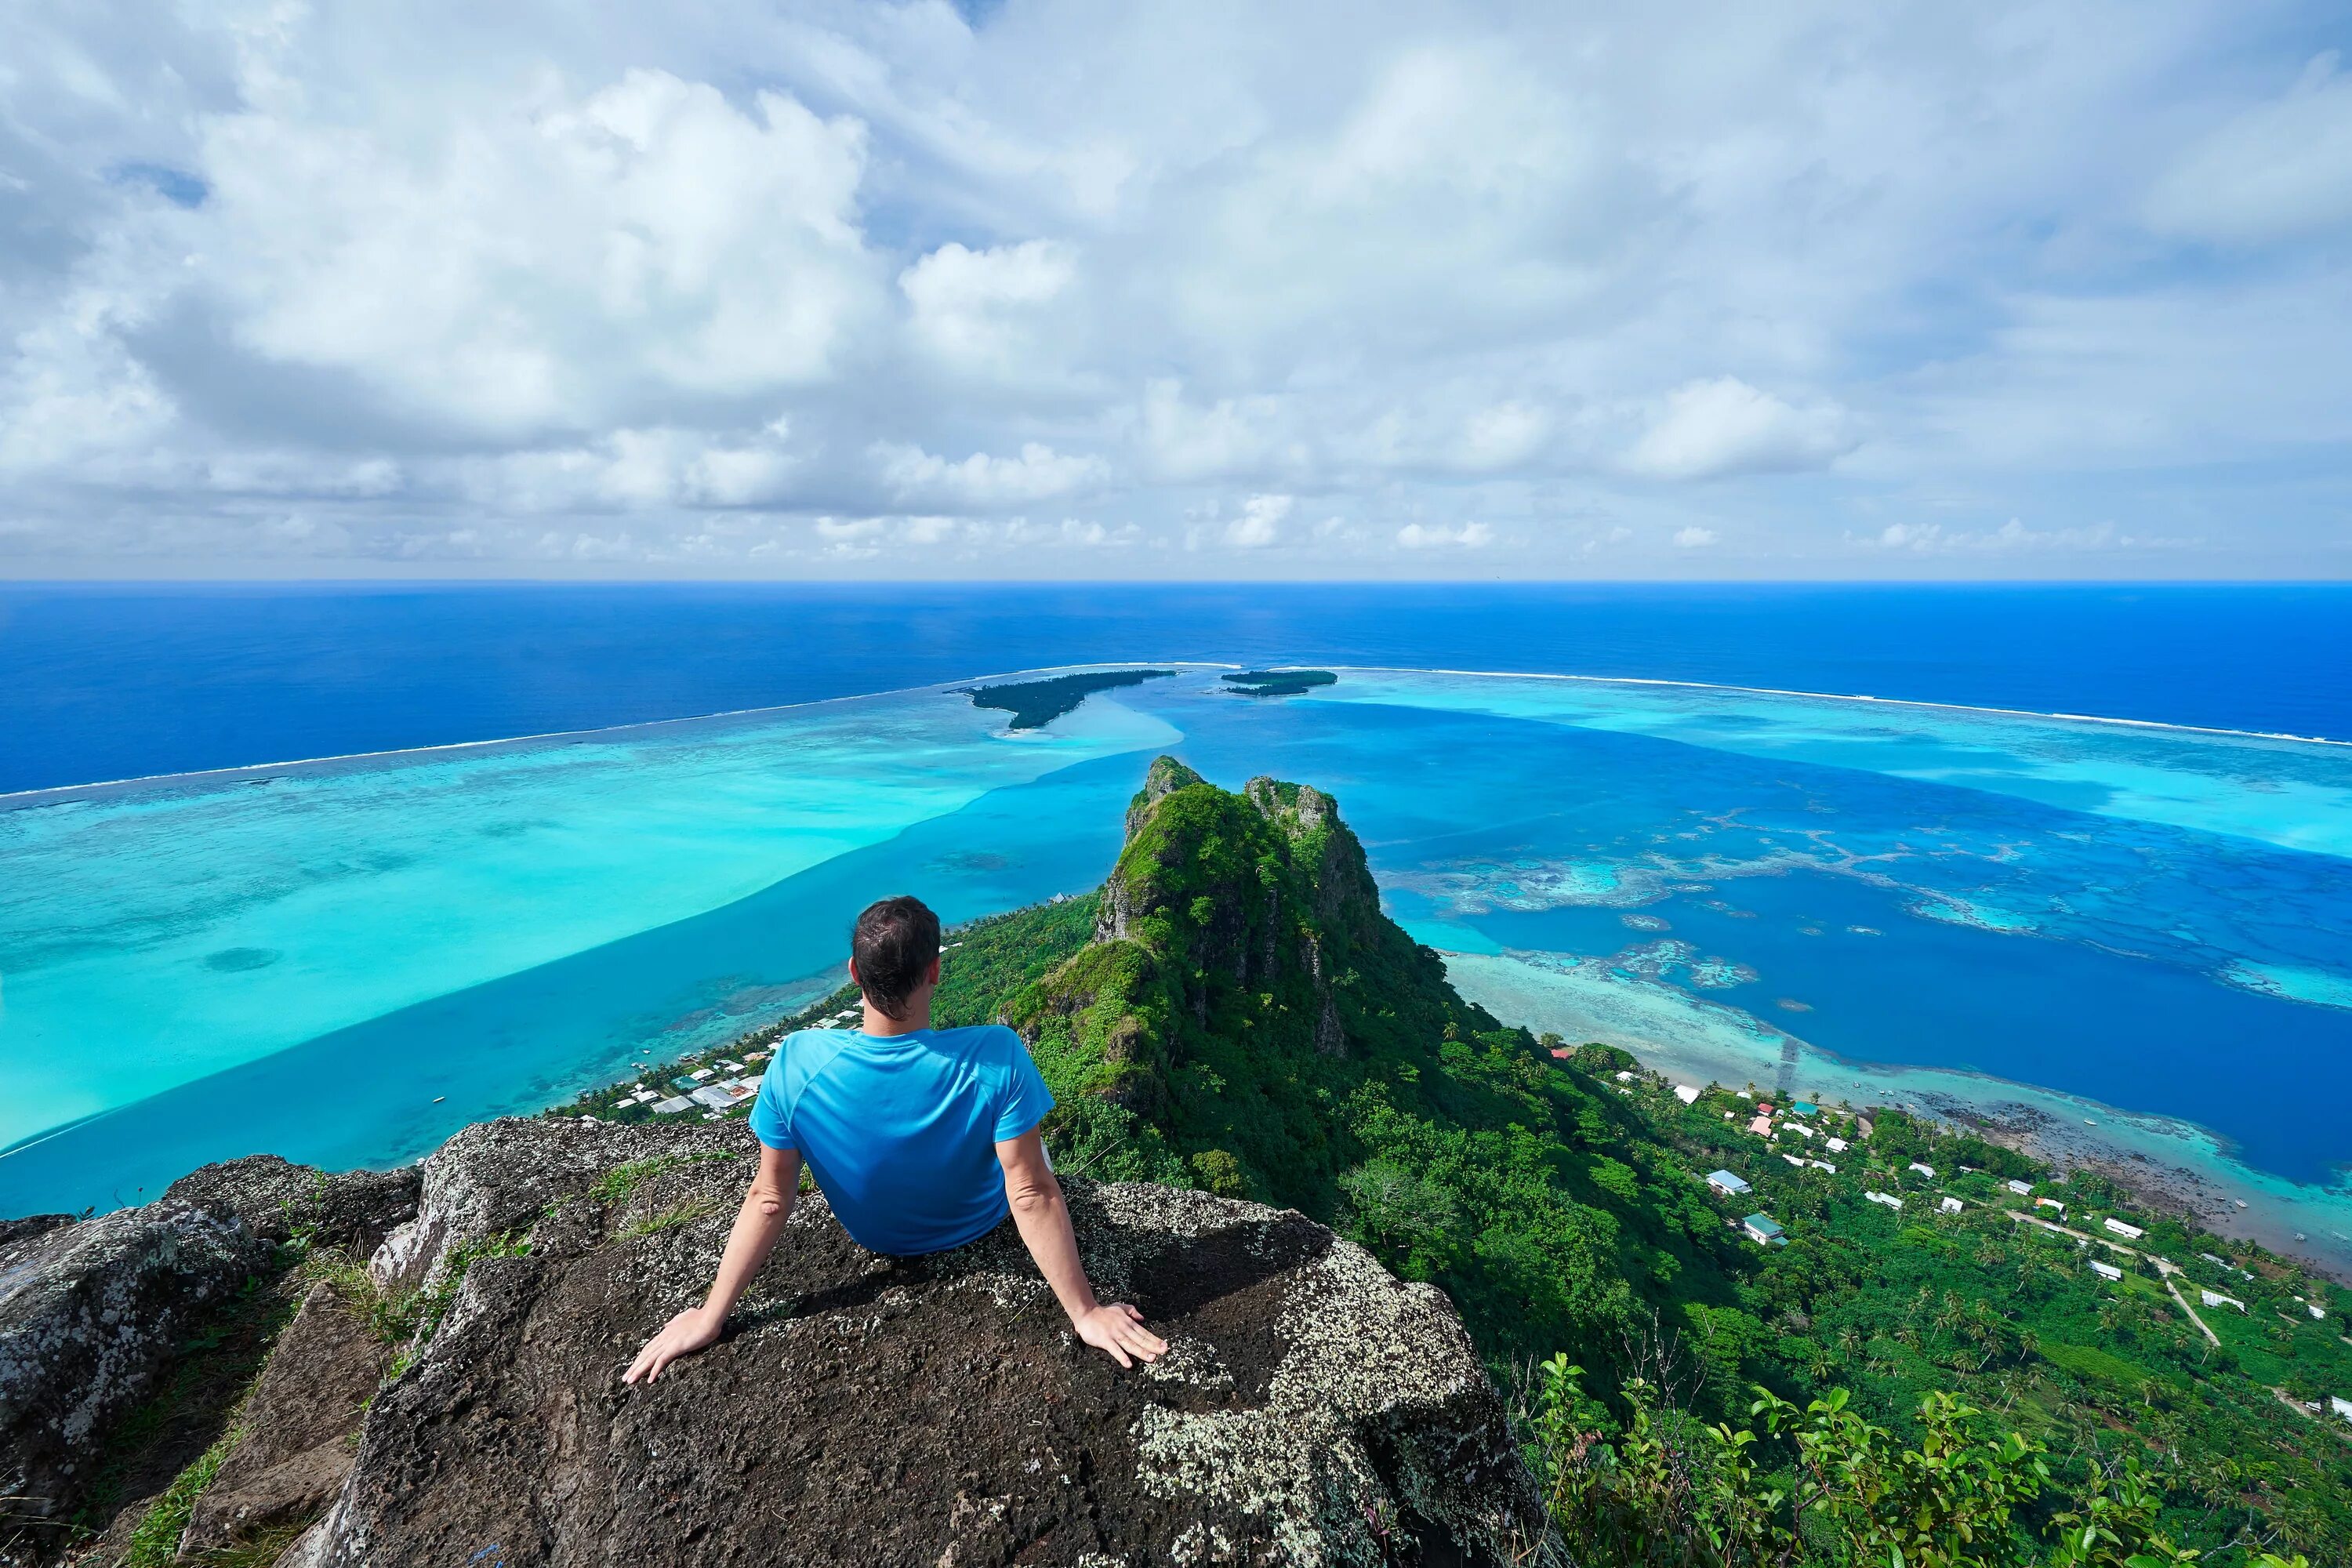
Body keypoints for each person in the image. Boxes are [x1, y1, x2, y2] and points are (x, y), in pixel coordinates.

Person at [624, 894, 1167, 1382]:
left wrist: (710, 1315)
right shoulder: (994, 1054)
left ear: (854, 973)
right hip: (976, 1222)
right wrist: (1086, 1313)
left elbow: (769, 1197)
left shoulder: (795, 1062)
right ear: (934, 971)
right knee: (1034, 1154)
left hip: (875, 1235)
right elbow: (1028, 1192)